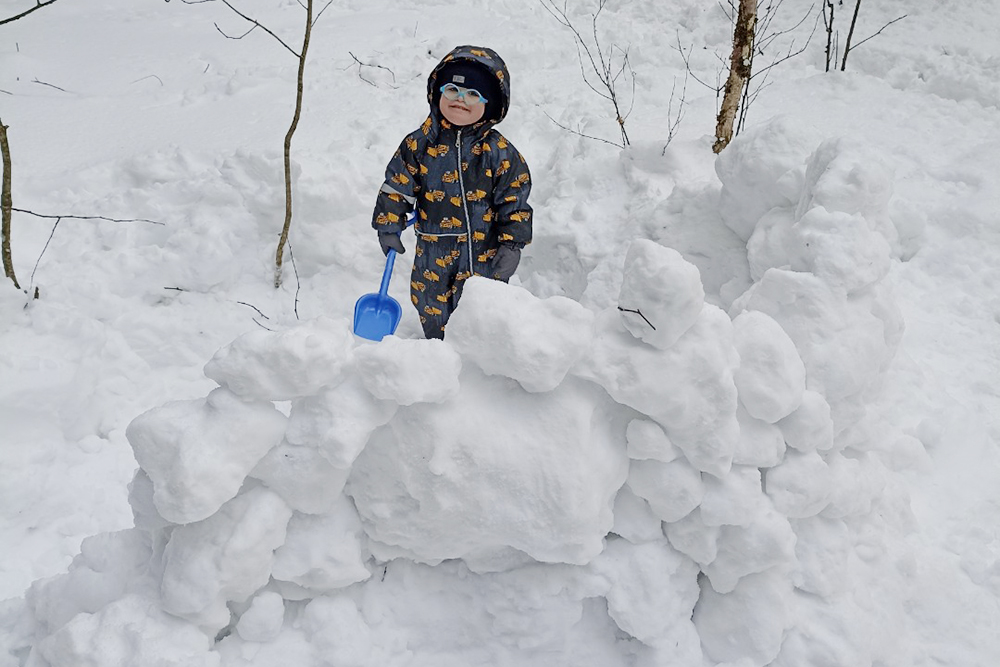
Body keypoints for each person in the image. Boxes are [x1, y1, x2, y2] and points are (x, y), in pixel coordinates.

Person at [371, 45, 532, 339]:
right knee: (429, 302)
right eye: (452, 90)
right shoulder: (419, 145)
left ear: (491, 104)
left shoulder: (499, 152)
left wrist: (512, 244)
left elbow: (514, 200)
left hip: (484, 250)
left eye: (473, 94)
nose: (461, 100)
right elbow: (397, 186)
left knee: (481, 308)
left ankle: (476, 359)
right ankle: (438, 350)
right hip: (433, 248)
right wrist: (388, 225)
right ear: (437, 93)